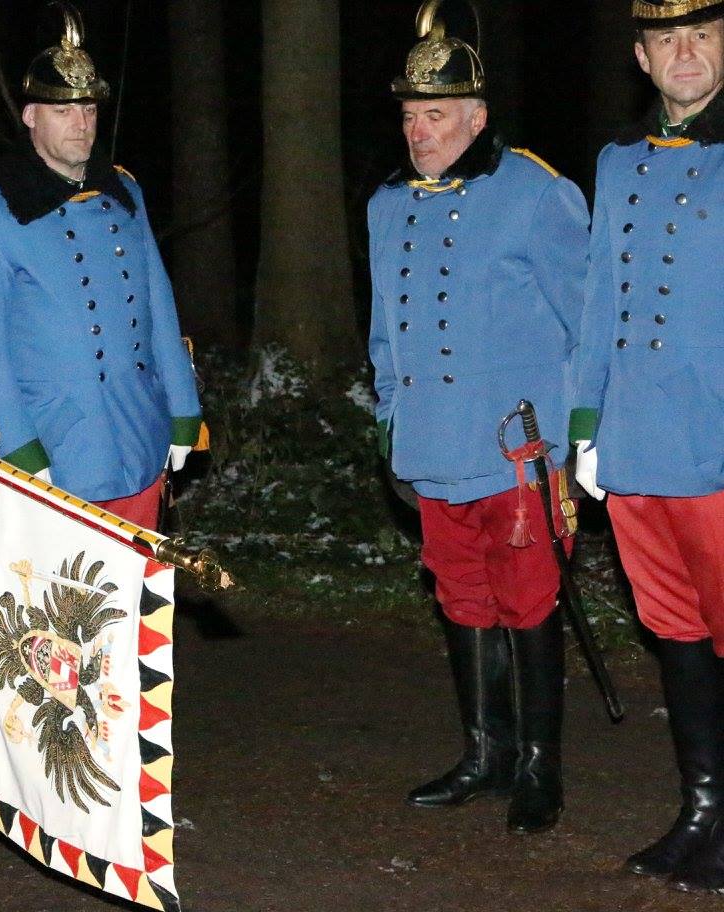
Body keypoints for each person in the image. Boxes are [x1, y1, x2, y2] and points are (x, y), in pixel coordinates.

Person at [367, 0, 589, 834]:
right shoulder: (387, 205)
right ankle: (484, 755)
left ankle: (539, 767)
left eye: (435, 115)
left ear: (477, 116)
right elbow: (384, 332)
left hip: (516, 446)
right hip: (433, 441)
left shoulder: (537, 193)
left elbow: (583, 321)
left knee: (528, 600)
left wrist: (577, 438)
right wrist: (391, 419)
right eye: (409, 116)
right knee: (461, 598)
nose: (418, 132)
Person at [572, 0, 724, 892]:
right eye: (667, 38)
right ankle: (703, 810)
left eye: (702, 34)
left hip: (712, 438)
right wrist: (585, 425)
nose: (685, 52)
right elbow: (598, 297)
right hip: (632, 441)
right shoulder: (618, 161)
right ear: (641, 56)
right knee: (675, 630)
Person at [0, 1, 201, 529]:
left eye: (88, 109)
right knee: (62, 586)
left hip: (139, 430)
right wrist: (18, 445)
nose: (81, 125)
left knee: (138, 579)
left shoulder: (124, 192)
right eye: (63, 111)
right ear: (30, 116)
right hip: (56, 445)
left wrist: (183, 408)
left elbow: (159, 307)